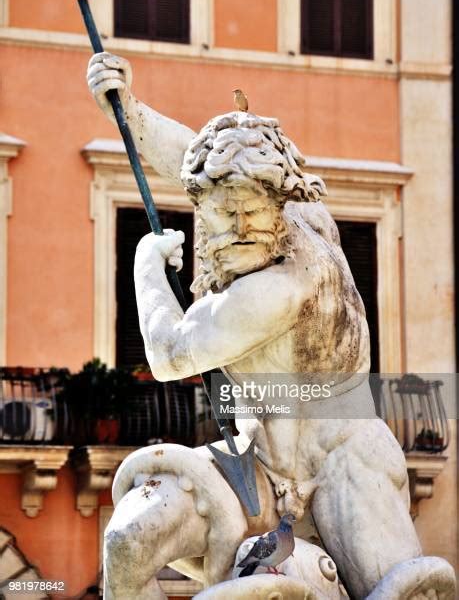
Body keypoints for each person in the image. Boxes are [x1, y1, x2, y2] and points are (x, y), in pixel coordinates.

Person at [87, 53, 456, 600]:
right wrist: (127, 109)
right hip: (251, 463)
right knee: (127, 542)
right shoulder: (284, 204)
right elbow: (191, 158)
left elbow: (169, 355)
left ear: (279, 205)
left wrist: (147, 262)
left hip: (343, 467)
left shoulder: (279, 288)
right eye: (221, 213)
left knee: (399, 592)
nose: (237, 230)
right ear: (203, 203)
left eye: (253, 215)